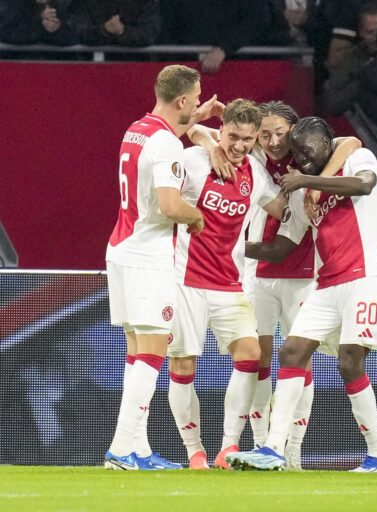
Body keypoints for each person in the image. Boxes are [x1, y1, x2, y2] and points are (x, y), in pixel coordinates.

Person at [187, 102, 362, 471]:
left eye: (280, 133)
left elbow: (350, 141)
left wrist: (314, 185)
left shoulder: (306, 164)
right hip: (255, 274)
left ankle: (292, 450)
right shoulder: (250, 159)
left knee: (299, 359)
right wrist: (211, 145)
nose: (272, 140)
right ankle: (258, 444)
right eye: (264, 134)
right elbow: (200, 132)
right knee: (258, 360)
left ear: (295, 131)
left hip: (302, 276)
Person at [225, 117, 377, 473]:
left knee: (350, 361)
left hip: (368, 276)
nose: (302, 159)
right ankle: (273, 448)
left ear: (327, 143)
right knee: (292, 350)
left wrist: (307, 179)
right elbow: (281, 247)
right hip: (328, 284)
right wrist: (230, 245)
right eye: (297, 154)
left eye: (308, 151)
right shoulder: (304, 192)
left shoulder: (356, 160)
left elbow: (365, 185)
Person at [104, 64, 222, 470]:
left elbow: (167, 138)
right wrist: (196, 216)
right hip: (149, 257)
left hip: (121, 249)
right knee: (153, 352)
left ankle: (136, 449)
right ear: (183, 100)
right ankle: (120, 449)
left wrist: (199, 118)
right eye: (197, 96)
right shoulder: (168, 145)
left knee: (137, 353)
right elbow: (171, 205)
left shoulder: (137, 128)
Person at [165, 99, 288, 470]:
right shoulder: (193, 161)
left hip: (229, 284)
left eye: (248, 140)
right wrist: (202, 139)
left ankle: (227, 448)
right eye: (233, 137)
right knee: (184, 366)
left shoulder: (257, 173)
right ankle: (194, 452)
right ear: (222, 131)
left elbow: (282, 210)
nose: (239, 145)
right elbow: (167, 164)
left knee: (250, 354)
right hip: (184, 281)